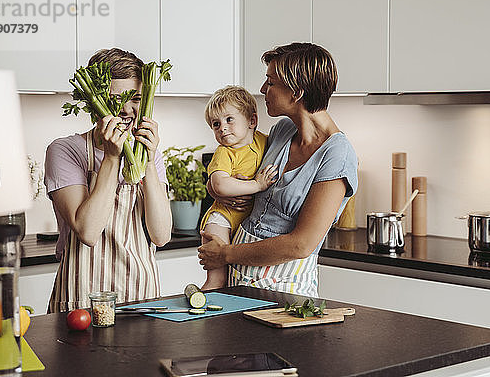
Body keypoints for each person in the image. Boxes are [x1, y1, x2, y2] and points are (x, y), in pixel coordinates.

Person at [198, 43, 358, 297]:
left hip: (285, 286)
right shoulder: (282, 131)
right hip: (238, 275)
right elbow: (241, 169)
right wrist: (216, 189)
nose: (263, 90)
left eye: (270, 82)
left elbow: (302, 244)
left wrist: (225, 254)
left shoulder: (337, 154)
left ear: (296, 92)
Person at [44, 48, 172, 312]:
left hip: (141, 296)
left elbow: (161, 235)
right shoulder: (65, 150)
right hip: (82, 299)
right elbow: (88, 231)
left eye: (136, 98)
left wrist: (147, 161)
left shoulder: (149, 154)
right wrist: (113, 158)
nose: (127, 110)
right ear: (95, 102)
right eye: (116, 100)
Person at [200, 86, 278, 290]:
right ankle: (200, 316)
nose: (222, 128)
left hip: (244, 223)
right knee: (217, 280)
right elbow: (219, 183)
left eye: (229, 119)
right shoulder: (224, 152)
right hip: (221, 219)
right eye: (216, 124)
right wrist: (257, 185)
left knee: (234, 280)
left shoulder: (265, 141)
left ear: (252, 121)